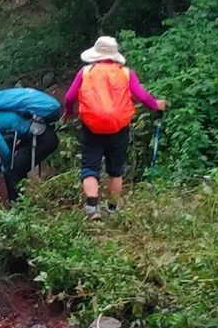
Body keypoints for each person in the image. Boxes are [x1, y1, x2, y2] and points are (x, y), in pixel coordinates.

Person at [62, 36, 166, 219]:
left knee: (89, 168)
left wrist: (69, 112)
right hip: (118, 127)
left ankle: (92, 208)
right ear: (114, 55)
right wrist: (156, 105)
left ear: (96, 55)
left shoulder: (86, 72)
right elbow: (141, 96)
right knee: (115, 170)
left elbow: (70, 97)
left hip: (91, 126)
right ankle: (112, 209)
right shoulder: (126, 73)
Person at [0, 88, 63, 203]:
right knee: (16, 170)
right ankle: (25, 204)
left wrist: (6, 167)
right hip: (45, 136)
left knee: (11, 172)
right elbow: (9, 144)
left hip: (42, 139)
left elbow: (3, 149)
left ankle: (18, 210)